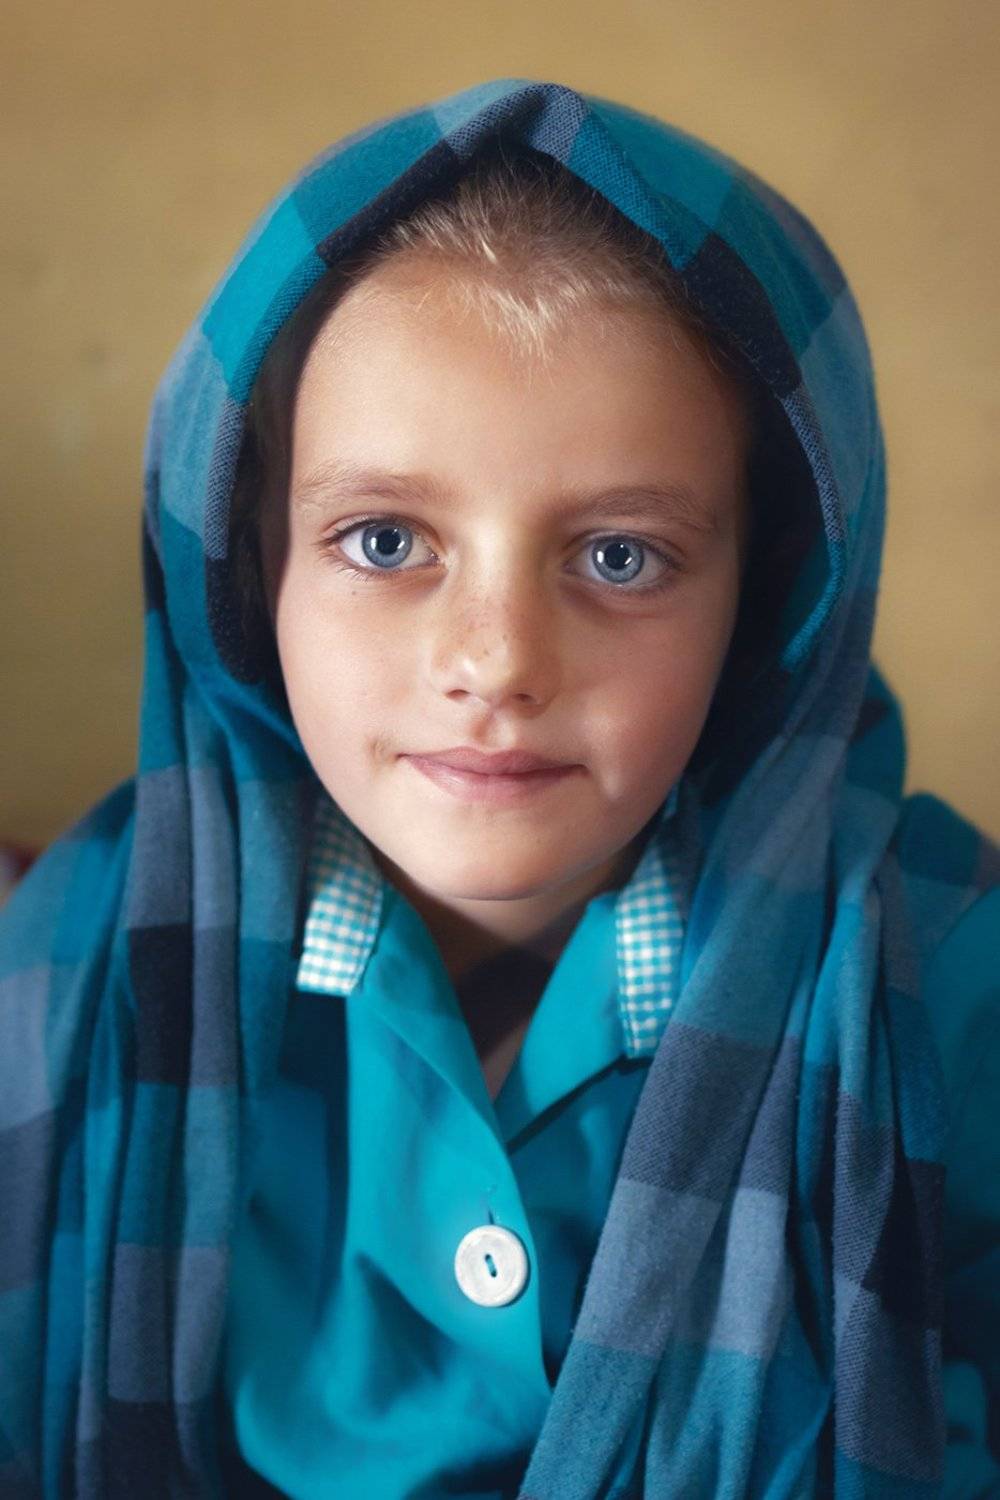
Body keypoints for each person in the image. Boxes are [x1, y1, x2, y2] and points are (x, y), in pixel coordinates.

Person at [0, 78, 996, 1500]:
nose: (498, 661)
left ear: (771, 592)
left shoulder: (942, 972)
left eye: (619, 558)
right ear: (243, 564)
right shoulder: (79, 966)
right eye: (385, 540)